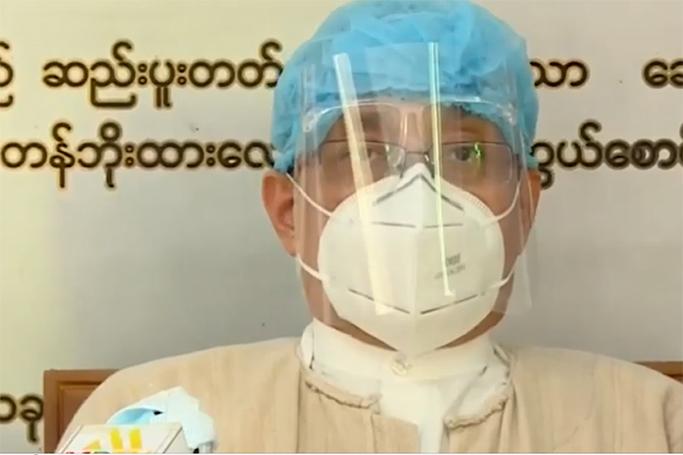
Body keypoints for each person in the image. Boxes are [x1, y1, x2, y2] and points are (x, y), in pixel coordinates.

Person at [60, 0, 682, 452]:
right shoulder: (155, 421)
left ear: (524, 206)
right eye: (363, 154)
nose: (416, 193)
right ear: (288, 211)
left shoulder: (649, 425)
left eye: (464, 153)